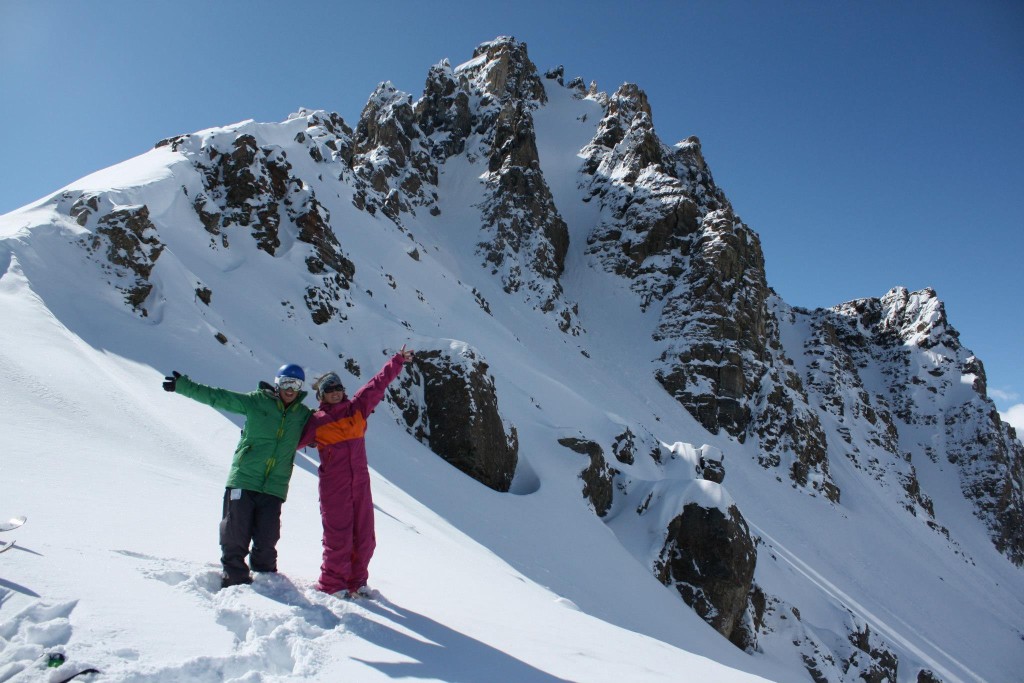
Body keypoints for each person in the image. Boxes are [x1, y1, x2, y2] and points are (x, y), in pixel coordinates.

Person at [162, 364, 313, 588]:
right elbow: (219, 397)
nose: (290, 389)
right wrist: (185, 387)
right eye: (286, 382)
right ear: (277, 383)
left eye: (296, 384)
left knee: (268, 538)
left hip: (275, 485)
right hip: (244, 477)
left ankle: (265, 577)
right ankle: (234, 577)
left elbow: (328, 425)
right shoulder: (256, 401)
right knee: (235, 532)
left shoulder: (303, 415)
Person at [299, 345, 414, 598]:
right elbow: (288, 442)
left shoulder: (357, 409)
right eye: (329, 389)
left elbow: (377, 385)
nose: (335, 392)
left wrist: (397, 361)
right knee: (338, 537)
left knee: (365, 537)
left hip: (360, 484)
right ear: (321, 395)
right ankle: (332, 585)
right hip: (335, 487)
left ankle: (356, 581)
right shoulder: (317, 422)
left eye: (338, 387)